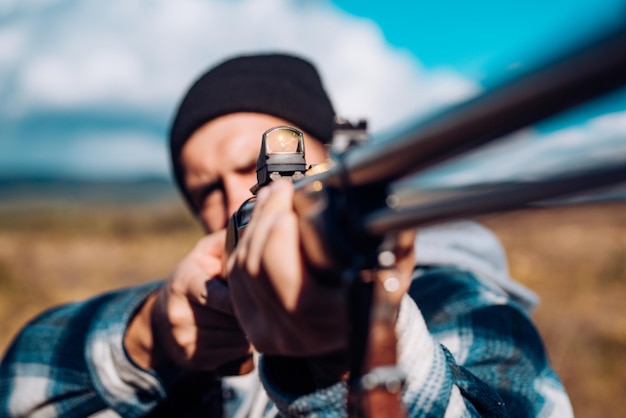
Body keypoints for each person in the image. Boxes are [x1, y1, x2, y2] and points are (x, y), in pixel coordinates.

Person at [0, 54, 573, 417]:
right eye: (205, 189)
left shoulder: (455, 296)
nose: (240, 196)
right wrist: (149, 337)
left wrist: (351, 348)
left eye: (263, 165)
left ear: (330, 159)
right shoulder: (197, 312)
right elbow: (23, 381)